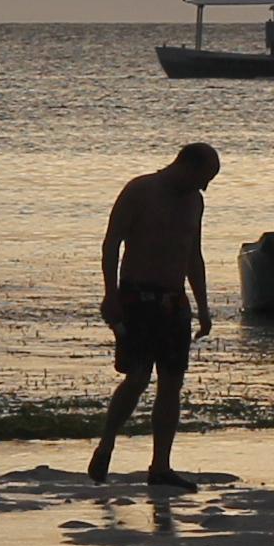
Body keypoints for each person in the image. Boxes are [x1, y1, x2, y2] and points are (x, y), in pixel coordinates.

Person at [90, 141, 219, 482]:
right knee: (137, 377)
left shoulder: (196, 201)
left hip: (174, 301)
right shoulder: (141, 190)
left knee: (171, 383)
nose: (205, 186)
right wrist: (110, 294)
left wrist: (203, 307)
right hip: (137, 296)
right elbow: (111, 244)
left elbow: (194, 255)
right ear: (186, 166)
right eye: (204, 177)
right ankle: (106, 444)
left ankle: (160, 466)